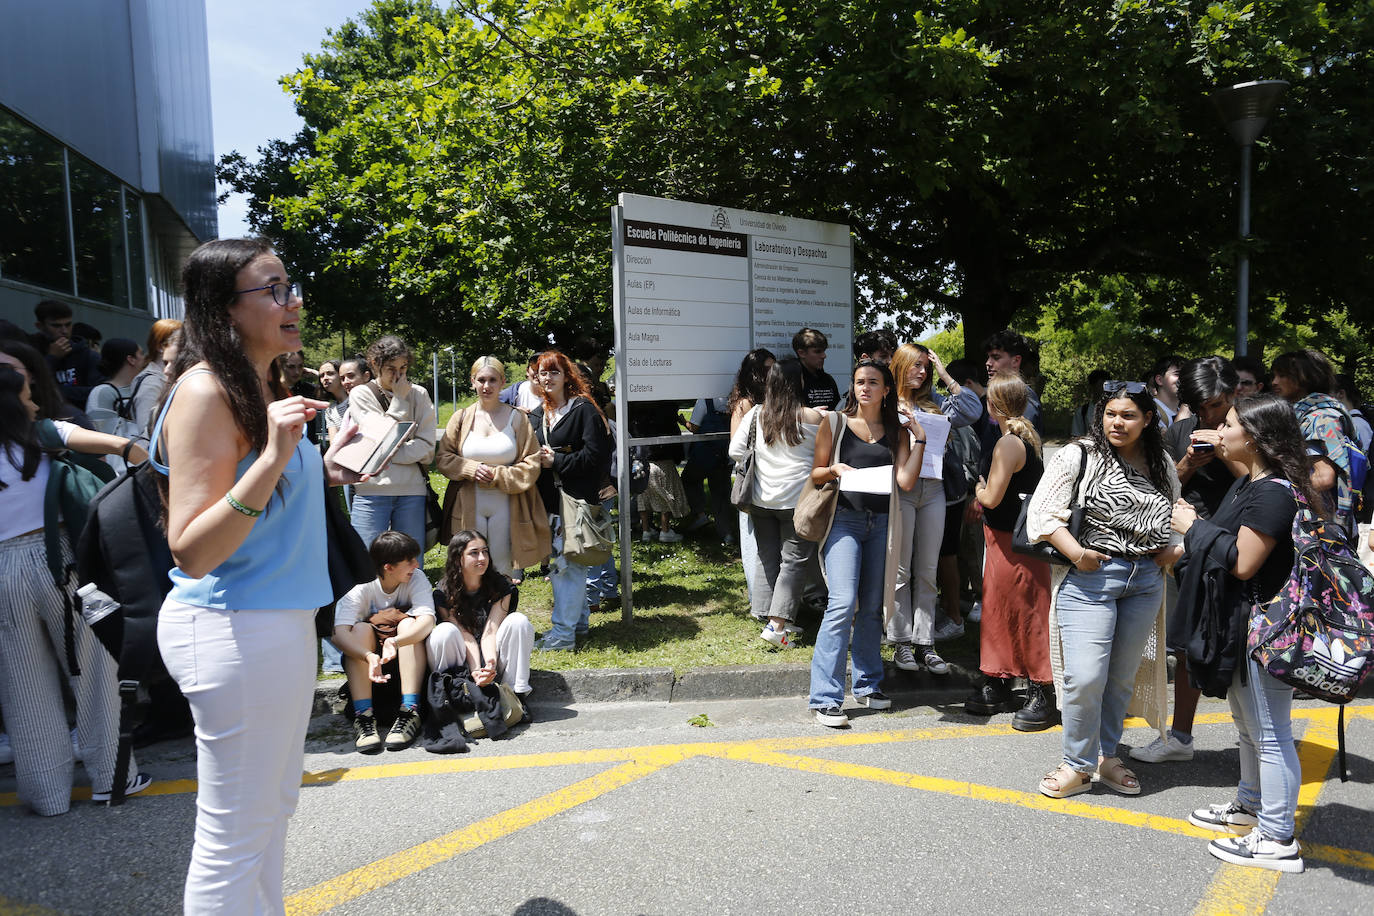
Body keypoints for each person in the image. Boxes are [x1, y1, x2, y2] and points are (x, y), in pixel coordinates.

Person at [151, 237, 362, 911]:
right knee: (235, 836)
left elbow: (254, 498)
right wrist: (275, 458)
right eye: (272, 289)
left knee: (268, 814)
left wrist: (317, 468)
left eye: (289, 284)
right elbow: (191, 548)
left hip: (274, 624)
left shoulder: (261, 384)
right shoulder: (207, 390)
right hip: (233, 626)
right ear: (224, 309)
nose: (292, 300)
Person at [1171, 394, 1314, 873]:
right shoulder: (1250, 483)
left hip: (1264, 629)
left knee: (1271, 734)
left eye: (1228, 424)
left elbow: (1245, 560)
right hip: (1241, 624)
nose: (1218, 430)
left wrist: (1193, 528)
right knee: (1250, 729)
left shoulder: (1273, 491)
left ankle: (1277, 838)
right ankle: (1249, 806)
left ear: (1252, 437)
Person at [0, 364, 150, 815]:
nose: (33, 402)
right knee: (94, 671)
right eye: (27, 395)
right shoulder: (42, 432)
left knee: (23, 683)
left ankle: (46, 795)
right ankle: (113, 777)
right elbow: (120, 447)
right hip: (58, 559)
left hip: (2, 571)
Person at [1025, 379, 1181, 798]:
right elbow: (1041, 516)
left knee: (1120, 679)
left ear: (1148, 419)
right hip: (1091, 578)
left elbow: (1177, 514)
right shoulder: (1081, 455)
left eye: (1129, 415)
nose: (1118, 422)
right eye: (1111, 413)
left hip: (1145, 581)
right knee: (1085, 676)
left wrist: (1175, 549)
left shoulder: (1161, 463)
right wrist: (1077, 554)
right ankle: (1076, 764)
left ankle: (1106, 755)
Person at [1133, 356, 1239, 764]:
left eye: (1216, 404)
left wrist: (1226, 448)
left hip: (1240, 544)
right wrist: (1189, 463)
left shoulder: (1252, 426)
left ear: (1233, 392)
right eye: (1200, 407)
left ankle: (1257, 737)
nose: (1209, 415)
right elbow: (1162, 487)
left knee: (1241, 640)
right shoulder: (1180, 430)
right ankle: (1180, 736)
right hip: (1187, 546)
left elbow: (1265, 480)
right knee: (1189, 643)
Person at [809, 359, 924, 727]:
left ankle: (867, 684)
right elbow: (815, 473)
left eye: (873, 382)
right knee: (843, 602)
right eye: (859, 381)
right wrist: (834, 470)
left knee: (874, 605)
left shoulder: (897, 431)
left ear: (887, 390)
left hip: (883, 523)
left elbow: (905, 481)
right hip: (844, 520)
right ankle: (825, 698)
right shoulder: (835, 423)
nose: (865, 388)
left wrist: (920, 438)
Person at [885, 343, 983, 674]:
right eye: (916, 365)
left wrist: (945, 373)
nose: (922, 371)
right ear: (899, 366)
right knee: (901, 569)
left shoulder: (937, 403)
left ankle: (925, 643)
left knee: (928, 569)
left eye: (926, 366)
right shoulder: (886, 403)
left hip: (935, 489)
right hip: (900, 491)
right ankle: (901, 642)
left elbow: (972, 410)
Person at [966, 372, 1056, 728]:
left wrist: (977, 487)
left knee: (1022, 612)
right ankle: (1001, 678)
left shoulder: (1007, 444)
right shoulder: (1025, 437)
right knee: (1007, 610)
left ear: (993, 405)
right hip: (1014, 540)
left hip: (1012, 542)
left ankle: (1041, 688)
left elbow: (991, 497)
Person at [729, 357, 822, 648]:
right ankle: (777, 625)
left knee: (767, 557)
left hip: (760, 498)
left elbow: (735, 451)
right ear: (800, 382)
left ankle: (766, 614)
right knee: (794, 561)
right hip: (798, 500)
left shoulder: (756, 413)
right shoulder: (813, 418)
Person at [435, 356, 550, 580]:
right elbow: (444, 457)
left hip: (508, 502)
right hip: (469, 502)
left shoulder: (517, 418)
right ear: (472, 381)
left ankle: (500, 612)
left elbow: (532, 462)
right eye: (481, 380)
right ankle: (470, 613)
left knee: (502, 567)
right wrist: (469, 468)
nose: (487, 386)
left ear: (502, 381)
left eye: (493, 380)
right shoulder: (461, 417)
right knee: (468, 567)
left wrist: (498, 475)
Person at [530, 349, 612, 650]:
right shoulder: (538, 414)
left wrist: (558, 463)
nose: (547, 378)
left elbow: (598, 455)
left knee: (568, 566)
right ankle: (578, 626)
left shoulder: (583, 409)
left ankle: (563, 634)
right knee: (564, 565)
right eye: (542, 373)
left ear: (567, 377)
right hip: (549, 501)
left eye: (554, 372)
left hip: (577, 500)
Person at [332, 531, 435, 752]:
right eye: (409, 561)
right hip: (368, 668)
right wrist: (368, 656)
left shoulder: (416, 578)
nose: (416, 565)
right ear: (388, 567)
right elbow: (339, 633)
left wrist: (395, 641)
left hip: (408, 665)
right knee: (358, 629)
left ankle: (410, 710)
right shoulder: (360, 586)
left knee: (410, 625)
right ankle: (364, 716)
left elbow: (427, 621)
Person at [348, 335, 438, 549]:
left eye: (404, 368)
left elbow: (427, 450)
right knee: (368, 565)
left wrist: (385, 453)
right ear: (374, 364)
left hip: (412, 491)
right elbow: (381, 437)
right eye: (391, 368)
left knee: (410, 563)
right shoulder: (361, 394)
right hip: (371, 491)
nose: (399, 375)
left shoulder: (420, 394)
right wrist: (398, 400)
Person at [429, 529, 535, 697]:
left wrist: (490, 664)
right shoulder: (443, 592)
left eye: (485, 552)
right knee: (443, 632)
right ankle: (449, 693)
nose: (482, 558)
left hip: (492, 651)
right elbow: (465, 636)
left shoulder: (500, 585)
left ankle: (516, 693)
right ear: (458, 558)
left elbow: (491, 631)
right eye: (474, 553)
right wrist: (476, 669)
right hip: (462, 657)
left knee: (518, 621)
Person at [1269, 348, 1360, 540]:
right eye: (1274, 375)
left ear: (1305, 377)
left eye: (1282, 375)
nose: (1274, 382)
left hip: (1322, 528)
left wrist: (1278, 495)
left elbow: (1324, 477)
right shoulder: (1309, 413)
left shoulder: (1320, 418)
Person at [728, 348, 776, 603]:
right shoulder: (744, 403)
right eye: (767, 369)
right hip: (749, 476)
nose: (772, 373)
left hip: (770, 475)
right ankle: (757, 594)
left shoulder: (776, 399)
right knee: (751, 539)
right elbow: (736, 447)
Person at [631, 401, 689, 542]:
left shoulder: (637, 413)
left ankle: (646, 531)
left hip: (640, 461)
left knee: (642, 497)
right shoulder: (666, 416)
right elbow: (675, 441)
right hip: (662, 460)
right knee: (666, 495)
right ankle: (665, 530)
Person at [30, 299, 102, 410]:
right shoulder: (31, 353)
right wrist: (52, 359)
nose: (64, 331)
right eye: (56, 326)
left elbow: (99, 393)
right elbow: (33, 390)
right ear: (40, 326)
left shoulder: (88, 356)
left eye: (68, 325)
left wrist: (55, 390)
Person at [85, 338, 145, 470]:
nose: (144, 358)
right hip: (121, 469)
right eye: (140, 353)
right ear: (131, 359)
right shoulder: (102, 393)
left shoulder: (146, 387)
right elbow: (101, 438)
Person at [129, 318, 182, 445]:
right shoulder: (151, 382)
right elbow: (148, 431)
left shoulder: (161, 377)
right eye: (178, 341)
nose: (185, 345)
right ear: (160, 346)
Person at [982, 329, 1042, 433]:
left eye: (996, 357)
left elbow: (1023, 443)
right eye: (988, 357)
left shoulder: (1024, 397)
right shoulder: (997, 395)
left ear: (1016, 361)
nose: (988, 363)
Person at [793, 327, 839, 410]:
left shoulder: (828, 380)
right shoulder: (791, 380)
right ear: (801, 353)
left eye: (824, 351)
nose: (824, 356)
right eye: (817, 351)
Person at [1070, 370, 1112, 438]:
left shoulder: (1117, 410)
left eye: (1106, 385)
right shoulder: (1082, 412)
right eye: (1100, 385)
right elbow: (1077, 437)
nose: (1104, 389)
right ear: (1092, 387)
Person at [1147, 354, 1185, 428]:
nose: (1183, 378)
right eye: (1177, 374)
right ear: (1159, 380)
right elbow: (1174, 438)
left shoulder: (1189, 411)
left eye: (1185, 374)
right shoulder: (1151, 411)